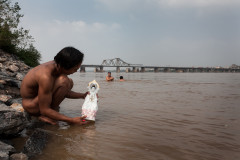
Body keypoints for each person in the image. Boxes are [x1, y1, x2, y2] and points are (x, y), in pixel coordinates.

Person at [20, 47, 88, 125]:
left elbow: (64, 92)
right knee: (64, 81)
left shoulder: (58, 65)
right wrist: (71, 120)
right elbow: (44, 109)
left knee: (69, 82)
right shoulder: (45, 76)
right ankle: (45, 116)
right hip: (32, 106)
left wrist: (82, 95)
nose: (76, 71)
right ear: (64, 66)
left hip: (39, 99)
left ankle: (52, 111)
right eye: (75, 69)